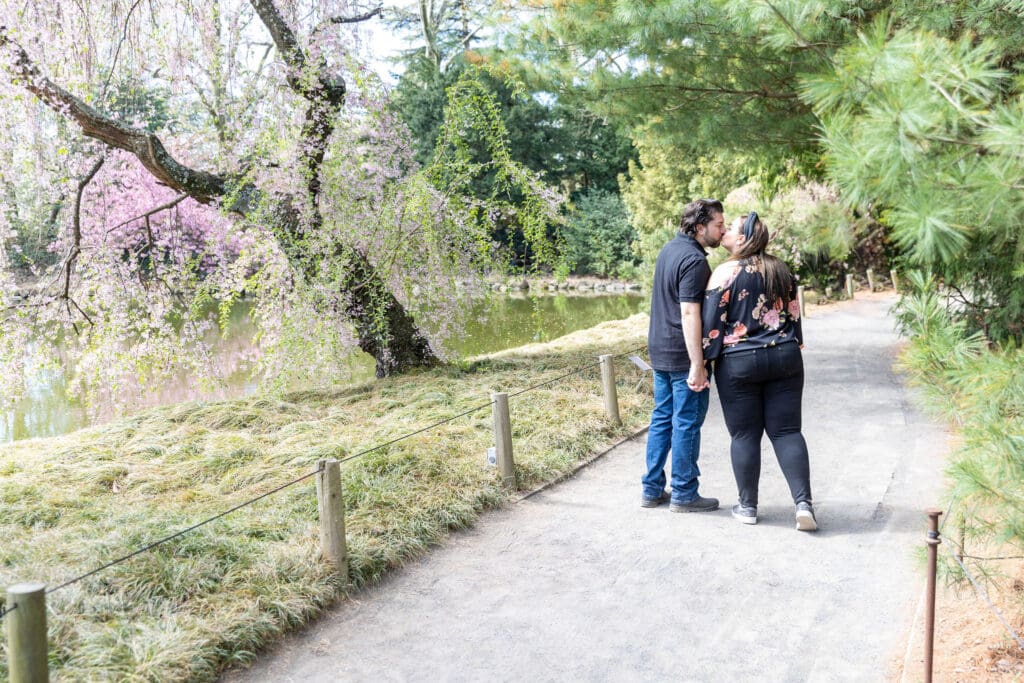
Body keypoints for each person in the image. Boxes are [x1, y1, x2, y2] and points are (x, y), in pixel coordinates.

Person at [701, 211, 816, 530]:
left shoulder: (724, 273)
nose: (724, 233)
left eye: (731, 230)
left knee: (744, 434)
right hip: (785, 356)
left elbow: (712, 327)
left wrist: (705, 364)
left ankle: (747, 506)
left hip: (739, 362)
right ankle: (803, 503)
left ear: (743, 238)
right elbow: (794, 314)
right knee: (788, 431)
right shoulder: (781, 269)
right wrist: (795, 344)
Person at [641, 198, 724, 512]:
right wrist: (697, 365)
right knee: (686, 422)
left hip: (660, 347)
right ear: (700, 227)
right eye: (719, 225)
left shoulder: (669, 249)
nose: (723, 230)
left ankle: (651, 489)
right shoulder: (694, 260)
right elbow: (690, 313)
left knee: (662, 418)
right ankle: (685, 493)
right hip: (681, 352)